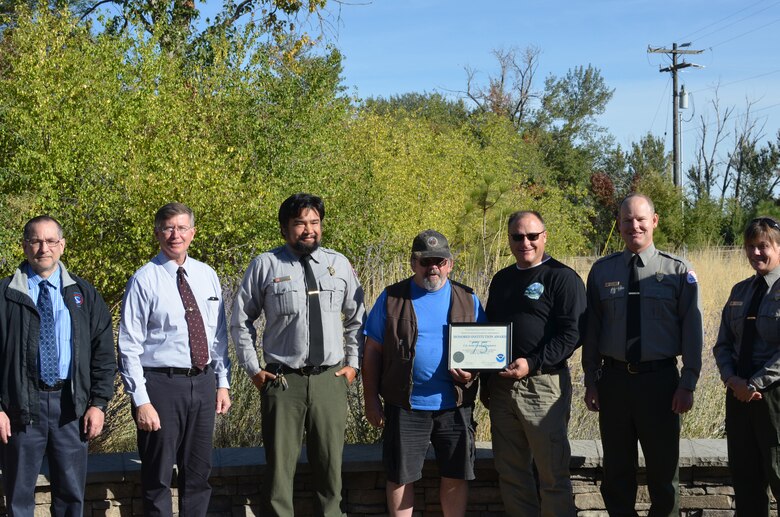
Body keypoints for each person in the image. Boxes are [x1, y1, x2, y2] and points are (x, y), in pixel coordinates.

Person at [230, 193, 365, 516]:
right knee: (279, 472)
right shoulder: (266, 265)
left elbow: (358, 317)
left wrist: (353, 365)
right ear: (284, 228)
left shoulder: (338, 264)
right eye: (300, 223)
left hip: (330, 380)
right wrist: (253, 369)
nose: (308, 229)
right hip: (282, 383)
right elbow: (240, 321)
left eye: (314, 222)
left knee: (330, 469)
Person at [582, 193, 703, 516]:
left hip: (661, 383)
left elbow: (693, 331)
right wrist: (591, 381)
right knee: (617, 474)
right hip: (615, 381)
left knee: (664, 475)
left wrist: (688, 382)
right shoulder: (601, 271)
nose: (633, 226)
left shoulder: (678, 271)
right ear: (618, 225)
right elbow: (592, 331)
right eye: (626, 220)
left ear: (654, 221)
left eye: (639, 219)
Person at [118, 202, 231, 516]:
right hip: (161, 387)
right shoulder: (144, 279)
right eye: (168, 228)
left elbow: (217, 335)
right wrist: (140, 400)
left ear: (192, 233)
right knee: (158, 478)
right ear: (157, 234)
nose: (175, 235)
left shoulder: (207, 275)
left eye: (182, 228)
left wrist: (223, 383)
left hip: (204, 382)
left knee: (198, 475)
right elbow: (128, 345)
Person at [362, 229, 486, 517]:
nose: (433, 267)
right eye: (426, 261)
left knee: (456, 474)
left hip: (454, 405)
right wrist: (371, 400)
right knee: (400, 476)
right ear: (413, 262)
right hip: (405, 404)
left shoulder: (469, 299)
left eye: (440, 261)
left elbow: (484, 350)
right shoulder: (392, 298)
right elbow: (372, 352)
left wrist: (470, 375)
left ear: (450, 264)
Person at [0, 215, 115, 516]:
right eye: (36, 241)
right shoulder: (4, 296)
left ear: (62, 246)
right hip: (21, 409)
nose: (43, 248)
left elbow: (103, 354)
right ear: (24, 246)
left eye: (51, 241)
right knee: (19, 498)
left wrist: (98, 404)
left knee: (70, 497)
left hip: (71, 408)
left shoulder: (84, 295)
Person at [483, 211, 585, 516]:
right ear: (510, 239)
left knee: (552, 473)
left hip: (542, 387)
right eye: (517, 236)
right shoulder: (502, 279)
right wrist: (486, 381)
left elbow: (573, 334)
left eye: (532, 236)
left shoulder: (561, 277)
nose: (524, 242)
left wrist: (533, 362)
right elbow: (489, 332)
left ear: (545, 236)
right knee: (512, 473)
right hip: (502, 388)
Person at [713, 217, 780, 517]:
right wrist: (732, 380)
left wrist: (754, 384)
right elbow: (723, 344)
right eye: (750, 247)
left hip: (773, 399)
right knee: (746, 483)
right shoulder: (739, 291)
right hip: (738, 398)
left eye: (763, 246)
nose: (756, 253)